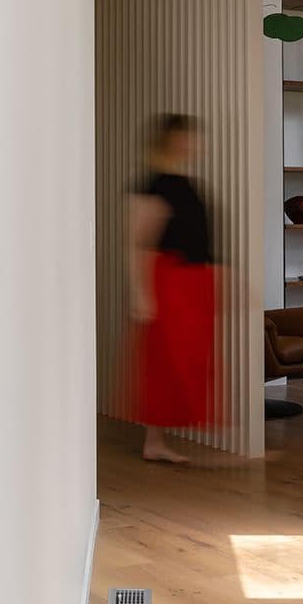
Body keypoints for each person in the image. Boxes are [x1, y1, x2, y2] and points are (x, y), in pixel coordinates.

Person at [122, 113, 217, 463]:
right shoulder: (154, 185)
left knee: (183, 360)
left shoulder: (183, 181)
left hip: (191, 280)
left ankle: (155, 442)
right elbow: (137, 242)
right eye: (190, 137)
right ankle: (155, 442)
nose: (197, 143)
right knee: (166, 361)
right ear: (174, 140)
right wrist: (141, 293)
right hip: (169, 281)